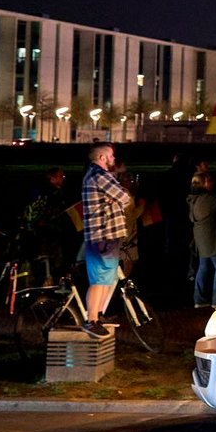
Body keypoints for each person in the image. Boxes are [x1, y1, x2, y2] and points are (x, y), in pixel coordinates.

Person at [79, 144, 132, 336]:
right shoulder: (100, 176)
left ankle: (98, 314)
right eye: (110, 156)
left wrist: (114, 198)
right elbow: (125, 198)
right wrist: (117, 197)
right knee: (99, 280)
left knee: (105, 280)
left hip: (106, 235)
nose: (113, 160)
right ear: (102, 157)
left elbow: (119, 198)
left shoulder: (96, 175)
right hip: (103, 235)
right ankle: (91, 319)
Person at [187, 172, 216, 307]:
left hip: (201, 239)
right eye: (209, 180)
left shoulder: (193, 199)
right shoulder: (208, 200)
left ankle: (199, 298)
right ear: (203, 183)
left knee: (203, 266)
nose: (212, 183)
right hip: (211, 238)